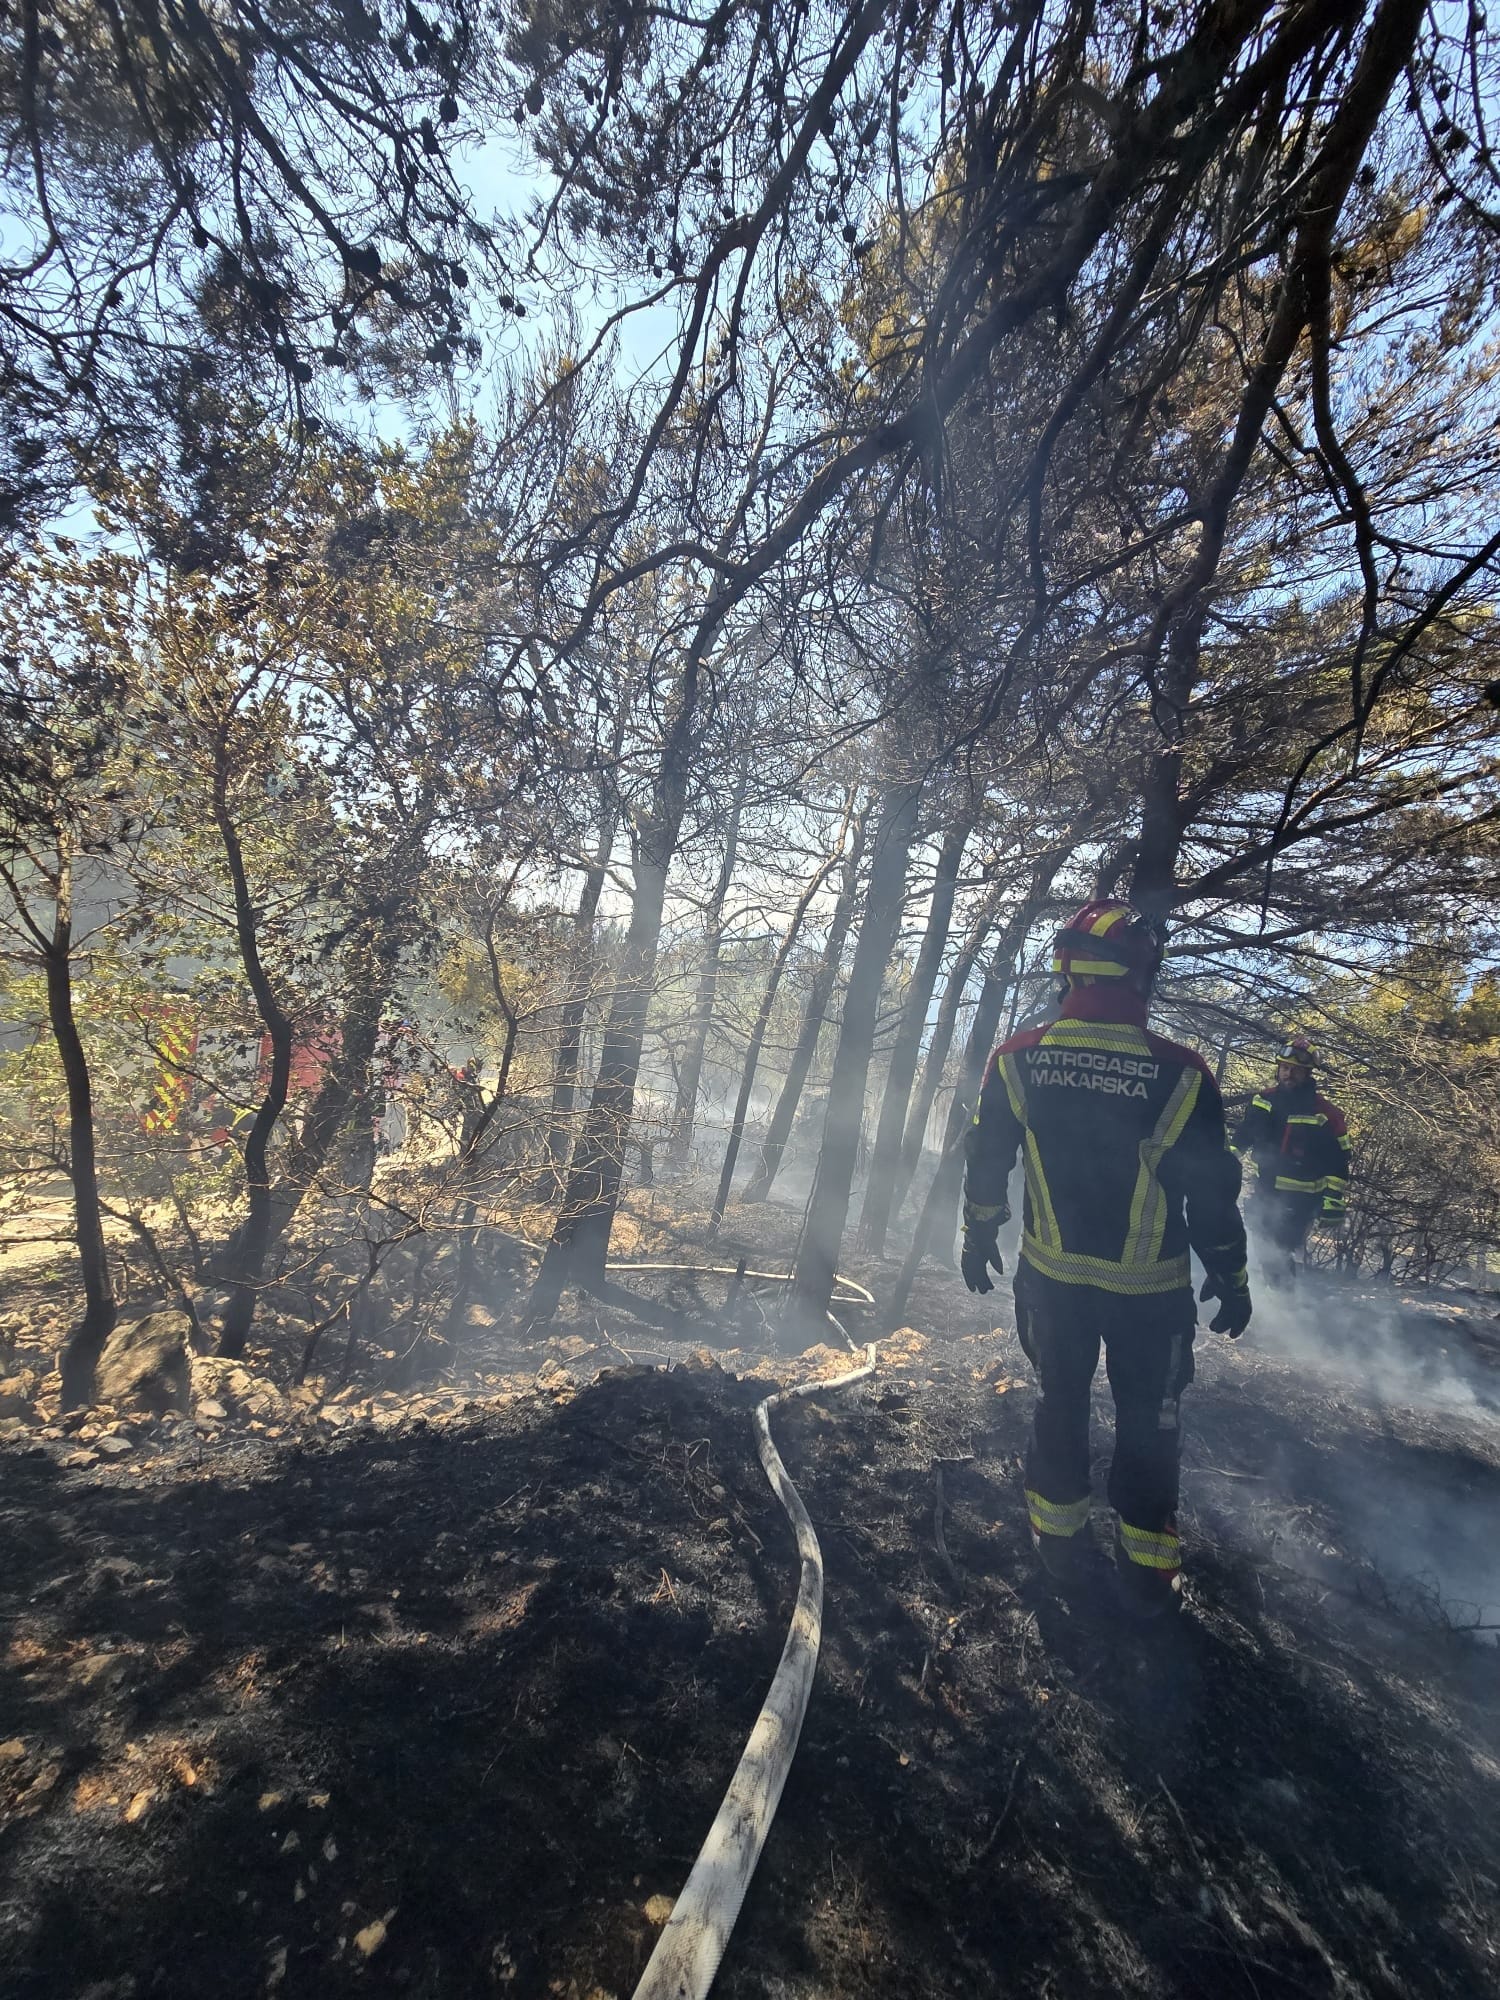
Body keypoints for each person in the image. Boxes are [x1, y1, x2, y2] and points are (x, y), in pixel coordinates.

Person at [960, 899, 1250, 1619]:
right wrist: (1230, 1273)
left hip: (1052, 1282)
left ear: (1068, 973)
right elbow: (1212, 1194)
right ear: (1140, 974)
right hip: (1149, 1297)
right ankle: (1147, 1577)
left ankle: (1060, 1548)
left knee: (1058, 1404)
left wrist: (979, 1232)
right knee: (1150, 1422)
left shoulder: (1017, 1058)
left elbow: (987, 1158)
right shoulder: (1182, 1073)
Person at [1233, 1035, 1352, 1288]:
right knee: (1263, 1247)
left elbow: (1338, 1158)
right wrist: (1226, 1157)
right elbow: (1245, 1134)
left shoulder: (1325, 1113)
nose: (1288, 1074)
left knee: (1278, 1251)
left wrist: (1333, 1198)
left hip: (1302, 1199)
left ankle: (1283, 1303)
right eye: (1285, 1068)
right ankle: (1274, 1299)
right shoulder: (1264, 1100)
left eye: (1296, 1070)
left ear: (1308, 1073)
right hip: (1265, 1190)